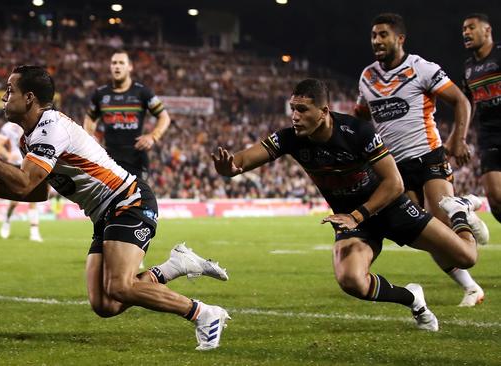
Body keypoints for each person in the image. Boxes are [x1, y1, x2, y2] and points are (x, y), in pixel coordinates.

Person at [0, 65, 230, 350]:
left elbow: (23, 184)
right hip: (103, 214)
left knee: (120, 286)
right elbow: (39, 192)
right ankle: (174, 266)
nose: (3, 97)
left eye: (10, 90)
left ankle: (203, 313)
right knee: (106, 304)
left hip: (127, 200)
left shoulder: (51, 128)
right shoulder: (29, 139)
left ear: (30, 97)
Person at [213, 79, 480, 331]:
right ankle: (411, 298)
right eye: (293, 109)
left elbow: (394, 184)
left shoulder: (358, 132)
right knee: (351, 280)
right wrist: (230, 168)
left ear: (324, 111)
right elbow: (243, 160)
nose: (294, 116)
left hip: (389, 207)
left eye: (302, 110)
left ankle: (458, 212)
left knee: (467, 257)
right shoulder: (290, 138)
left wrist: (358, 214)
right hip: (353, 220)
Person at [354, 13, 486, 307]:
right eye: (374, 35)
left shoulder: (421, 68)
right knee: (425, 232)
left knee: (439, 219)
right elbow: (361, 114)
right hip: (395, 167)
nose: (376, 40)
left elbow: (461, 101)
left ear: (399, 39)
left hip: (428, 155)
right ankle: (471, 287)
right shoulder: (367, 77)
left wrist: (458, 138)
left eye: (383, 35)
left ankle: (460, 206)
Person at [83, 50, 171, 180]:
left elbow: (164, 117)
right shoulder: (100, 94)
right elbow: (90, 118)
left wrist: (153, 136)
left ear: (130, 67)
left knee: (137, 199)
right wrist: (90, 137)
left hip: (135, 158)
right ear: (110, 67)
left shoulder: (142, 92)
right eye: (114, 63)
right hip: (109, 158)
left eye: (121, 63)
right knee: (110, 199)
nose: (117, 66)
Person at [461, 13, 501, 225]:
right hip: (489, 136)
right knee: (495, 199)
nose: (466, 32)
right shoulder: (468, 68)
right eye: (464, 29)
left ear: (487, 30)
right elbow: (467, 104)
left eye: (471, 27)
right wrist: (460, 137)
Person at [0, 121, 42, 242]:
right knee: (14, 201)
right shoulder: (9, 127)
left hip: (33, 165)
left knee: (33, 198)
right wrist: (8, 155)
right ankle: (7, 220)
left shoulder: (38, 124)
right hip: (16, 166)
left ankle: (34, 231)